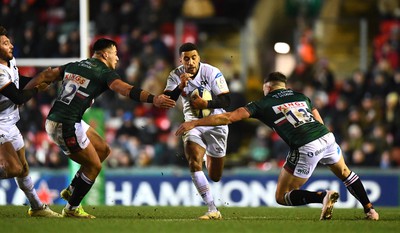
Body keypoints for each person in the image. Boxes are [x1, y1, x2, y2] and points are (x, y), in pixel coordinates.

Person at [176, 71, 380, 221]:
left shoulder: (262, 104)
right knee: (345, 172)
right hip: (326, 137)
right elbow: (318, 120)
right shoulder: (302, 97)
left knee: (282, 196)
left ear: (268, 87)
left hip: (305, 145)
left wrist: (194, 122)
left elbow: (228, 117)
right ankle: (370, 209)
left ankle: (323, 196)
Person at [40, 38, 176, 219]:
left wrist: (25, 89)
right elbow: (126, 89)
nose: (117, 58)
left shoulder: (75, 65)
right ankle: (71, 208)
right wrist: (154, 99)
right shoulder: (103, 72)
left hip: (70, 119)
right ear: (105, 54)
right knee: (94, 167)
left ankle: (72, 188)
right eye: (115, 53)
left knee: (103, 149)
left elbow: (47, 75)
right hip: (64, 124)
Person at [164, 42, 230, 220]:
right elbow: (168, 101)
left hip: (216, 124)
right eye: (187, 59)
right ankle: (212, 209)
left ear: (199, 57)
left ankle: (210, 156)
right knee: (193, 161)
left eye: (194, 57)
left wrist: (206, 104)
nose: (191, 62)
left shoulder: (211, 72)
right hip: (192, 124)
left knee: (215, 176)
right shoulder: (175, 75)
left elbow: (227, 102)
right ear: (181, 60)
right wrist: (180, 87)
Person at [0, 26, 61, 217]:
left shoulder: (11, 63)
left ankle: (36, 207)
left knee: (24, 168)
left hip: (10, 122)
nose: (10, 45)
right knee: (14, 168)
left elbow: (19, 83)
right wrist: (37, 88)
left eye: (9, 41)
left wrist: (41, 79)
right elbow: (17, 96)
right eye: (5, 43)